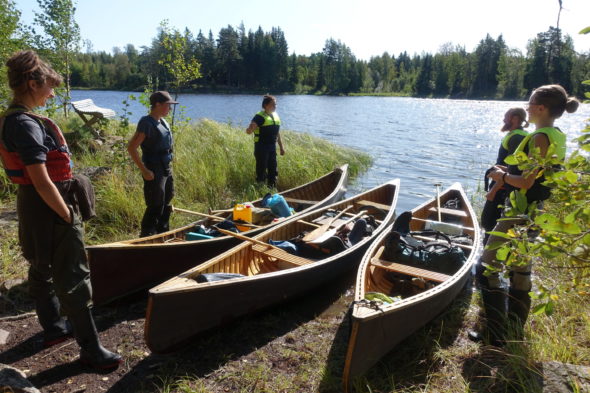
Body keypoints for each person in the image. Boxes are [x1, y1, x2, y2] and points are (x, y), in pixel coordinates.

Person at [0, 50, 122, 368]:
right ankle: (92, 350)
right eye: (49, 86)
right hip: (49, 205)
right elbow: (41, 181)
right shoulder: (24, 124)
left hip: (34, 206)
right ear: (31, 83)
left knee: (41, 267)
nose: (52, 93)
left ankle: (54, 329)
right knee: (74, 275)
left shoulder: (14, 119)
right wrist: (67, 214)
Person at [473, 85, 579, 346]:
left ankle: (494, 334)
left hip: (519, 212)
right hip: (534, 212)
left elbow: (527, 183)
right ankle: (513, 332)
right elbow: (540, 173)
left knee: (487, 267)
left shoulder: (540, 136)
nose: (527, 107)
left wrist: (501, 176)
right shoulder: (557, 134)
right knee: (520, 268)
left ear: (541, 108)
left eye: (530, 103)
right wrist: (508, 167)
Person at [127, 91, 177, 237]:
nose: (170, 109)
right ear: (157, 104)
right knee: (155, 203)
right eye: (168, 105)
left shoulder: (162, 121)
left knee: (167, 199)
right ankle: (147, 235)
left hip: (166, 167)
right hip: (154, 168)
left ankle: (162, 232)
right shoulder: (146, 123)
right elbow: (132, 148)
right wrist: (144, 170)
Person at [480, 108, 529, 245]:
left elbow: (514, 171)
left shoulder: (517, 138)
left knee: (489, 224)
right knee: (490, 226)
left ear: (515, 118)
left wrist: (493, 190)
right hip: (503, 186)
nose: (503, 120)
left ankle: (486, 262)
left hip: (502, 189)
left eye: (506, 117)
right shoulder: (518, 135)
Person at [245, 95, 285, 188]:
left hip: (272, 148)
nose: (275, 106)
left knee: (273, 171)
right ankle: (260, 191)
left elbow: (277, 133)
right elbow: (248, 131)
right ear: (266, 105)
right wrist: (251, 128)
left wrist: (282, 147)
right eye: (273, 104)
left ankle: (271, 190)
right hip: (261, 148)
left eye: (276, 104)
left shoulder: (275, 116)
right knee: (261, 171)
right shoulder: (259, 117)